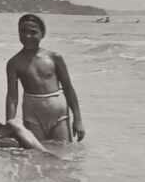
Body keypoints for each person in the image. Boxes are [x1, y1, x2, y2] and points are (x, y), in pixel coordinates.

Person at [5, 14, 85, 142]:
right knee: (37, 154)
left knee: (64, 152)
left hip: (59, 112)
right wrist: (10, 124)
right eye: (23, 31)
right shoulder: (14, 63)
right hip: (32, 112)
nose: (27, 36)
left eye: (33, 32)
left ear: (42, 34)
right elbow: (12, 97)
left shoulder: (54, 58)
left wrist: (78, 119)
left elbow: (68, 88)